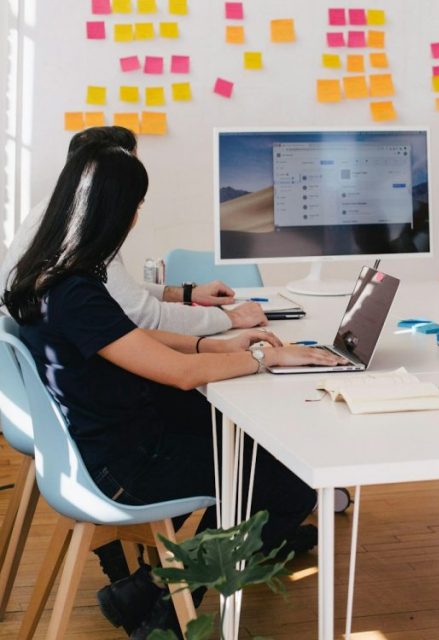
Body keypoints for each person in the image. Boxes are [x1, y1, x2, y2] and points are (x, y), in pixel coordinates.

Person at [2, 142, 346, 638]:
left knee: (249, 450)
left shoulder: (51, 275)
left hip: (105, 439)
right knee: (285, 482)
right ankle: (165, 613)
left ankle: (145, 590)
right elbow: (177, 373)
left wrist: (211, 342)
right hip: (120, 466)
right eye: (137, 206)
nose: (138, 217)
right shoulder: (75, 290)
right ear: (116, 211)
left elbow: (130, 339)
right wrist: (263, 356)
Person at [0, 126, 268, 335]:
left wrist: (186, 294)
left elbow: (114, 291)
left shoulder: (54, 215)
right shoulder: (80, 232)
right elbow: (146, 317)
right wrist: (231, 318)